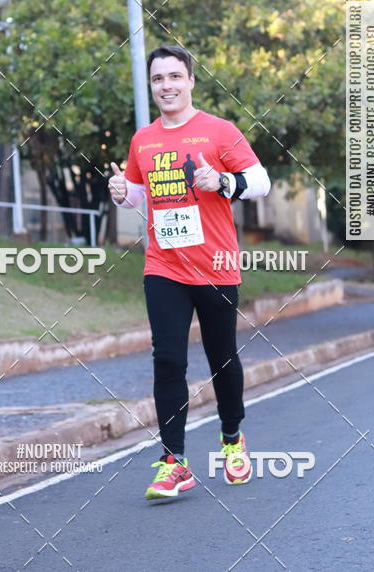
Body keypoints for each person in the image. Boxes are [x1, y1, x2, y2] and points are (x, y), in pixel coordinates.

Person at [108, 44, 271, 500]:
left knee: (222, 358)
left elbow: (261, 181)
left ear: (191, 81)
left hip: (216, 265)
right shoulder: (143, 140)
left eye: (175, 77)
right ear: (151, 85)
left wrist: (223, 181)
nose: (167, 86)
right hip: (164, 266)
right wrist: (121, 192)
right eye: (159, 79)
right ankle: (173, 461)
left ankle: (233, 438)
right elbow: (139, 196)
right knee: (168, 359)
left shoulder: (219, 132)